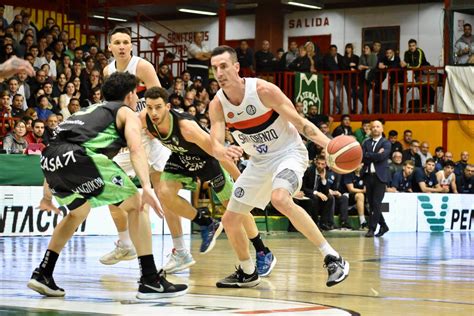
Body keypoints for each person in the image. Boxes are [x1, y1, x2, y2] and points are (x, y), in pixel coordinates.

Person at [27, 72, 188, 298]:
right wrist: (146, 186)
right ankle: (150, 279)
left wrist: (46, 196)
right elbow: (135, 148)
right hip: (80, 157)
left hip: (50, 160)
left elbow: (57, 149)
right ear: (130, 95)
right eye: (136, 93)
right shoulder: (126, 112)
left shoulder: (85, 111)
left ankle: (43, 272)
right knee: (137, 204)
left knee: (77, 213)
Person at [208, 46, 349, 288]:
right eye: (214, 68)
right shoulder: (218, 104)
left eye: (223, 66)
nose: (219, 72)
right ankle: (248, 271)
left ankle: (333, 257)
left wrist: (329, 145)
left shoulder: (263, 90)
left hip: (289, 153)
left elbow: (300, 123)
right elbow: (215, 144)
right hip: (258, 162)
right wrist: (223, 151)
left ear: (236, 67)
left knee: (281, 198)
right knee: (231, 220)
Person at [143, 87, 276, 276]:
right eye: (149, 108)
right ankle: (206, 223)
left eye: (158, 107)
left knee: (235, 207)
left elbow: (218, 152)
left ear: (168, 107)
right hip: (182, 157)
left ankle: (263, 251)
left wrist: (240, 179)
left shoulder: (187, 129)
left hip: (210, 159)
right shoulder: (146, 119)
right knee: (163, 192)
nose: (154, 113)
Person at [98, 26, 172, 265]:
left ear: (132, 46)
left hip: (150, 135)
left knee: (163, 194)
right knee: (110, 188)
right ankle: (124, 245)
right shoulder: (108, 70)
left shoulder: (142, 67)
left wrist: (155, 128)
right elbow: (111, 107)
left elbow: (159, 99)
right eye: (116, 42)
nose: (121, 46)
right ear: (109, 47)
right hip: (129, 137)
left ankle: (179, 250)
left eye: (125, 42)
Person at [362, 120, 391, 238]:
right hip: (368, 175)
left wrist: (370, 155)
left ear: (382, 129)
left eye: (378, 127)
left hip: (380, 177)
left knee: (376, 203)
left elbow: (382, 156)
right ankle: (384, 225)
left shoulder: (386, 143)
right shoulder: (366, 142)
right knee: (371, 204)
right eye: (373, 127)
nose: (375, 129)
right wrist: (374, 155)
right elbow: (362, 156)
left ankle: (371, 228)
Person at [301, 156, 335, 231]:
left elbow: (326, 191)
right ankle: (315, 224)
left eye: (322, 164)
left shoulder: (326, 172)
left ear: (325, 164)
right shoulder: (309, 171)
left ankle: (323, 223)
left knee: (330, 198)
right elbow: (303, 188)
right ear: (316, 163)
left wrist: (323, 179)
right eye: (318, 163)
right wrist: (316, 192)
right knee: (315, 198)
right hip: (308, 193)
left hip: (318, 194)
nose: (320, 166)